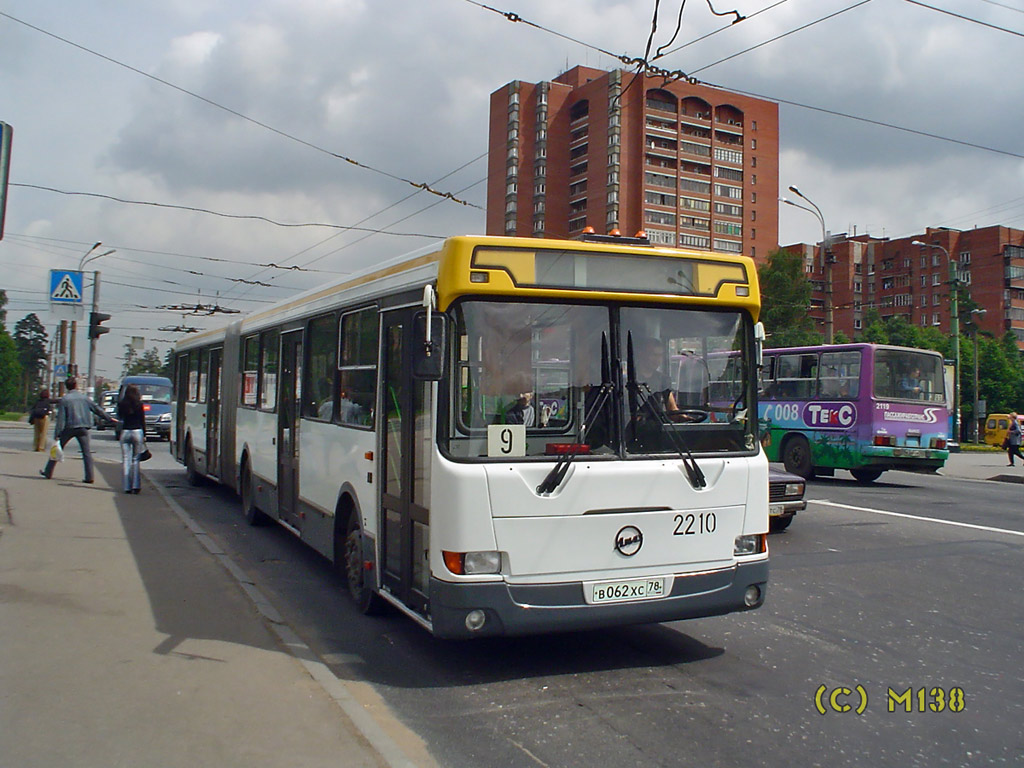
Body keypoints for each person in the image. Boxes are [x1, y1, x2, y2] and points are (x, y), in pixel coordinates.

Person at [39, 378, 113, 483]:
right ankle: (89, 477)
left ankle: (48, 471)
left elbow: (61, 418)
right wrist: (109, 418)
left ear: (66, 387)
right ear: (76, 385)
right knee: (86, 452)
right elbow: (97, 409)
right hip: (84, 427)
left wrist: (57, 434)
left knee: (57, 449)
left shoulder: (65, 399)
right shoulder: (85, 398)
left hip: (69, 427)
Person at [117, 384, 146, 494]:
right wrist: (145, 434)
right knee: (136, 460)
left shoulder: (122, 404)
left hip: (125, 432)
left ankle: (127, 487)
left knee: (126, 460)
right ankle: (136, 486)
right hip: (137, 431)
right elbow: (142, 420)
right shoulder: (139, 404)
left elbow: (120, 417)